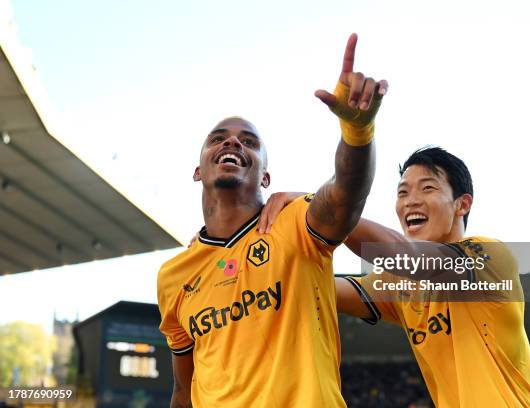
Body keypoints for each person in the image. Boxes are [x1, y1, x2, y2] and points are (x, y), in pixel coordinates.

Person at [156, 33, 388, 408]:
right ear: (198, 170)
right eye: (219, 139)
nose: (232, 144)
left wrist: (357, 132)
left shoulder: (295, 222)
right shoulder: (172, 277)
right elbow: (184, 391)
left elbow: (347, 193)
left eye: (249, 142)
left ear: (266, 176)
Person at [260, 147, 530, 407]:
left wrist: (318, 208)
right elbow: (313, 287)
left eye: (428, 188)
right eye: (402, 193)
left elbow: (399, 252)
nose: (411, 201)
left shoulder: (489, 258)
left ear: (462, 205)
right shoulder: (399, 284)